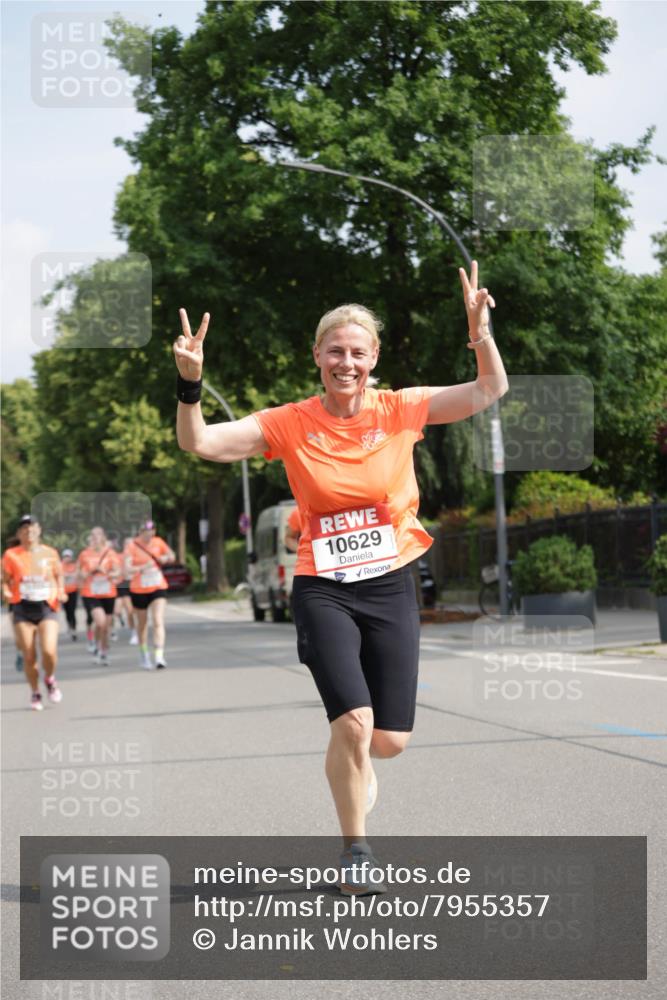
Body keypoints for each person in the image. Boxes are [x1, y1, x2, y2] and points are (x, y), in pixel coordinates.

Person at [174, 261, 508, 894]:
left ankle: (358, 770)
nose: (345, 362)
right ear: (317, 357)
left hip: (390, 582)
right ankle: (356, 849)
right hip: (322, 584)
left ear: (373, 357)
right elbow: (201, 443)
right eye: (335, 351)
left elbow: (488, 390)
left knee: (389, 743)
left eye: (357, 351)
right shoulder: (288, 422)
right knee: (352, 723)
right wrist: (190, 384)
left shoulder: (402, 408)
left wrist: (479, 333)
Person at [1, 515, 66, 710]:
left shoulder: (50, 553)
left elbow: (59, 575)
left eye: (32, 528)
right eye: (24, 529)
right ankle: (35, 692)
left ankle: (50, 679)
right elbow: (5, 579)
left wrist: (61, 591)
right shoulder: (11, 555)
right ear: (19, 533)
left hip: (46, 606)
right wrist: (4, 589)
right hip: (22, 607)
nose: (29, 531)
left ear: (39, 530)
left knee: (48, 650)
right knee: (29, 655)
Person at [124, 520, 175, 670]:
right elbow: (127, 569)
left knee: (158, 620)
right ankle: (144, 654)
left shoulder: (158, 542)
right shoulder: (132, 546)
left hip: (157, 585)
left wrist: (166, 558)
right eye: (146, 531)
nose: (150, 534)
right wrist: (142, 567)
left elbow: (171, 555)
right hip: (139, 589)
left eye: (152, 531)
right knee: (143, 624)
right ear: (140, 532)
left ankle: (159, 656)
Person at [77, 527, 122, 667]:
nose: (95, 537)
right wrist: (91, 571)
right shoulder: (84, 554)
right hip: (91, 593)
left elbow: (118, 572)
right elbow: (80, 575)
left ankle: (103, 650)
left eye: (98, 535)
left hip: (108, 592)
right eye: (93, 535)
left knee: (105, 627)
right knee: (100, 622)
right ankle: (97, 647)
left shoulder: (110, 553)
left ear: (103, 537)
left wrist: (107, 572)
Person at [61, 548, 79, 640]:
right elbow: (60, 575)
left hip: (73, 591)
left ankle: (74, 629)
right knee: (67, 611)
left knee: (72, 611)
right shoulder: (60, 565)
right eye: (65, 556)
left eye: (68, 556)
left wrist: (68, 575)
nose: (67, 558)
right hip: (64, 592)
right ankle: (69, 626)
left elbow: (76, 575)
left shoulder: (74, 565)